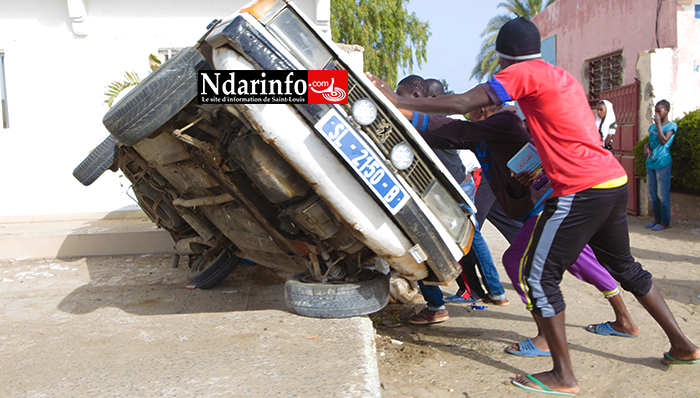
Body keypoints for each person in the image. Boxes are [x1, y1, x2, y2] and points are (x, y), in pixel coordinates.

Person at [367, 17, 699, 396]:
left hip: (581, 188)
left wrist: (397, 101)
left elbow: (462, 104)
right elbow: (555, 132)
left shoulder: (521, 74)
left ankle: (563, 375)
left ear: (502, 57)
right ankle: (683, 345)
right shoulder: (560, 76)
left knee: (535, 275)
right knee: (625, 267)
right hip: (612, 180)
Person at [408, 100, 640, 357]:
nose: (466, 111)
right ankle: (623, 320)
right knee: (578, 260)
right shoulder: (484, 133)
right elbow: (448, 137)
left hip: (545, 206)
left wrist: (406, 111)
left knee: (524, 262)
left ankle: (546, 338)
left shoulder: (505, 123)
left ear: (483, 110)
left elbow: (457, 130)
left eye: (471, 105)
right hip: (527, 207)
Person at [394, 75, 508, 326]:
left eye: (398, 93)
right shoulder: (429, 120)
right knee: (471, 237)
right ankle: (495, 291)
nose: (395, 98)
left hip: (445, 190)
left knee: (422, 241)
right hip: (455, 185)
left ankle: (437, 305)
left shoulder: (423, 121)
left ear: (415, 97)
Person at [643, 100, 676, 231]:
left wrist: (658, 125)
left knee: (662, 194)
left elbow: (663, 141)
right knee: (652, 193)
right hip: (650, 163)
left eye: (659, 111)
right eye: (655, 111)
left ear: (666, 111)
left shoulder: (671, 126)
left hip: (663, 163)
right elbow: (650, 142)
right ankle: (656, 219)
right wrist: (646, 147)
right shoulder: (652, 127)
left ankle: (665, 221)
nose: (656, 113)